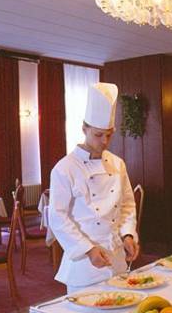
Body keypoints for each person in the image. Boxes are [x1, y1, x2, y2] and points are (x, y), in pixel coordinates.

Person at [49, 83, 139, 293]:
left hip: (117, 260)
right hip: (84, 265)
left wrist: (128, 235)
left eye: (109, 134)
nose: (105, 141)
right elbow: (57, 217)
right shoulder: (65, 168)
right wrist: (88, 250)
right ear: (84, 129)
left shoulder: (117, 164)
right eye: (98, 135)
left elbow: (127, 205)